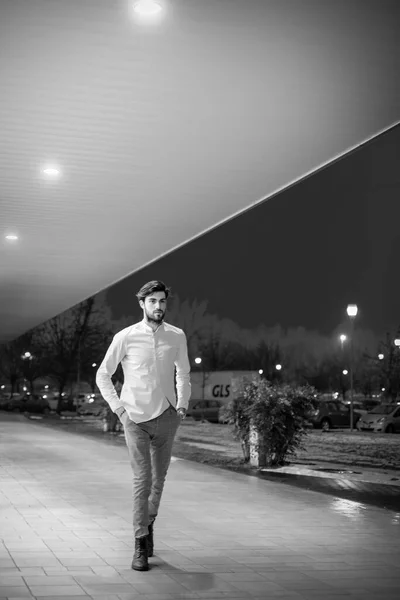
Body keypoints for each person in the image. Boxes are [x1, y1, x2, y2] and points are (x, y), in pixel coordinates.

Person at [96, 280, 191, 571]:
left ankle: (148, 524)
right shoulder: (125, 337)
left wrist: (182, 404)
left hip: (166, 416)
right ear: (142, 304)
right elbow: (103, 374)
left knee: (158, 481)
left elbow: (183, 372)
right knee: (142, 481)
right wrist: (120, 411)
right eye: (152, 301)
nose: (158, 306)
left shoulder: (177, 336)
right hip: (134, 418)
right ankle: (140, 544)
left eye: (162, 301)